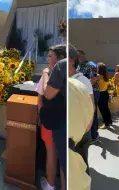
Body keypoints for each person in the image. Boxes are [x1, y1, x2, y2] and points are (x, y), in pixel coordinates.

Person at [36, 45, 66, 190]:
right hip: (64, 121)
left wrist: (40, 115)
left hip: (51, 121)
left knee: (51, 153)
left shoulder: (48, 74)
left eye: (50, 56)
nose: (47, 59)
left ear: (59, 58)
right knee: (64, 157)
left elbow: (41, 97)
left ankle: (50, 185)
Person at [69, 45, 94, 175]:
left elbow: (91, 105)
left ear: (72, 61)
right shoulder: (61, 79)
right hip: (67, 130)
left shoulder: (83, 80)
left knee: (81, 165)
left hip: (80, 131)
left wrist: (86, 127)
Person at [69, 78, 94, 190]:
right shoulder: (81, 83)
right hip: (80, 133)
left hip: (74, 138)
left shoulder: (80, 82)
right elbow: (91, 108)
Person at [77, 50, 100, 143]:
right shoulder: (78, 65)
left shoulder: (91, 65)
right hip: (82, 92)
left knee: (92, 114)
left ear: (82, 55)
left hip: (92, 92)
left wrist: (84, 86)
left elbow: (94, 79)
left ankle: (94, 136)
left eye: (77, 56)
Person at [97, 62, 112, 129]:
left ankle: (106, 123)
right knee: (106, 108)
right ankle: (109, 121)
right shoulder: (106, 76)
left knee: (102, 110)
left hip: (100, 94)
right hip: (105, 93)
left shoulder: (99, 76)